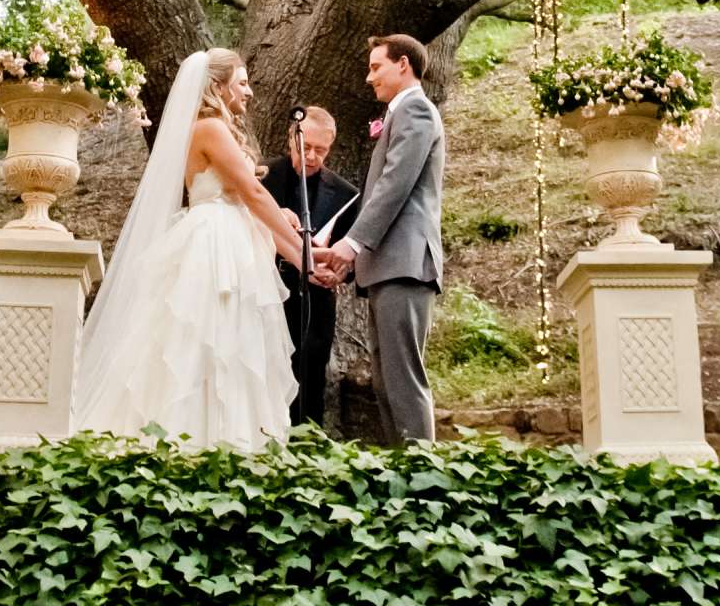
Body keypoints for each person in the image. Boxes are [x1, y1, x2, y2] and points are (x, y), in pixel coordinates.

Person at [75, 50, 304, 448]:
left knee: (227, 341)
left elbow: (242, 192)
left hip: (228, 238)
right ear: (218, 86)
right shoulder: (210, 128)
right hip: (214, 247)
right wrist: (305, 257)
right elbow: (251, 191)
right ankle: (200, 441)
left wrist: (284, 223)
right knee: (207, 341)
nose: (249, 92)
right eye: (242, 82)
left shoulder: (214, 129)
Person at [314, 34, 448, 446]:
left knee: (404, 382)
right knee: (387, 383)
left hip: (406, 265)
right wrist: (351, 261)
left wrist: (351, 246)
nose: (369, 77)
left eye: (376, 67)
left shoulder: (417, 111)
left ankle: (424, 483)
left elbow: (394, 186)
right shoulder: (400, 115)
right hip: (389, 266)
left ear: (403, 65)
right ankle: (405, 476)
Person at [261, 106, 358, 426]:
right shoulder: (263, 177)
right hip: (266, 290)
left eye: (322, 150)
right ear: (292, 139)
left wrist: (340, 272)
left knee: (311, 375)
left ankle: (307, 449)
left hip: (316, 301)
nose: (313, 156)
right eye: (307, 147)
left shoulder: (344, 193)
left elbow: (348, 255)